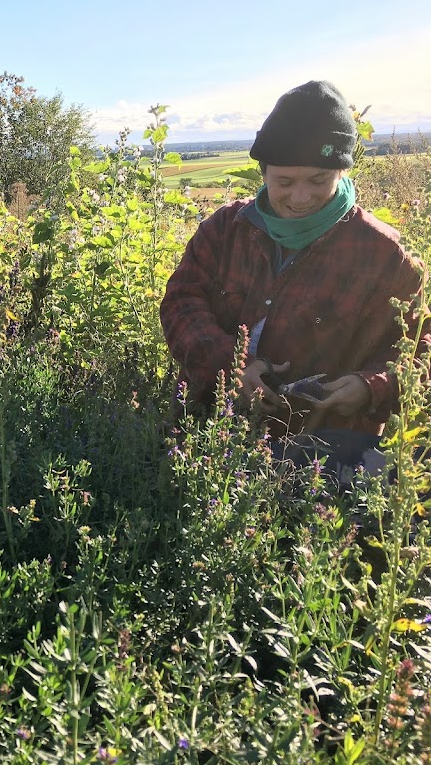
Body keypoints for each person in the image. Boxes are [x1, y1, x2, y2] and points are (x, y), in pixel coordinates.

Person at [160, 81, 426, 473]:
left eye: (319, 181)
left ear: (341, 170)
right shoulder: (224, 230)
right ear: (263, 172)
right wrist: (230, 368)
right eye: (284, 182)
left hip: (328, 458)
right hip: (212, 436)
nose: (300, 198)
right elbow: (181, 303)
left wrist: (372, 388)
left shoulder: (384, 256)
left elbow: (422, 346)